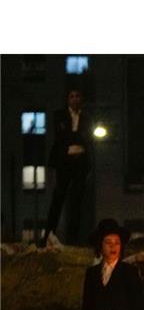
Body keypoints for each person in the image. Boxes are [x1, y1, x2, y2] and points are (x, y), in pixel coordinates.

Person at [41, 89, 93, 247]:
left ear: (82, 98)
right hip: (64, 162)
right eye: (72, 96)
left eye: (78, 96)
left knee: (77, 201)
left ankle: (73, 239)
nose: (75, 99)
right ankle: (48, 235)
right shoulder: (60, 115)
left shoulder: (87, 117)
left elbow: (88, 138)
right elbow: (61, 137)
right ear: (67, 99)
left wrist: (81, 149)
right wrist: (71, 147)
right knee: (58, 198)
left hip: (80, 163)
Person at [80, 219, 144, 310]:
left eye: (117, 243)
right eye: (108, 242)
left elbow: (138, 308)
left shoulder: (130, 272)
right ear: (100, 246)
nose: (113, 246)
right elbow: (87, 309)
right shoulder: (92, 273)